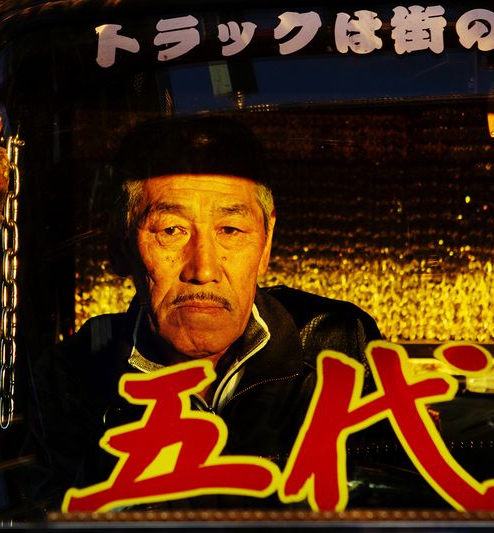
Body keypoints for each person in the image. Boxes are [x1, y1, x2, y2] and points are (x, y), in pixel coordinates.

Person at [23, 116, 432, 513]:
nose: (203, 270)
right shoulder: (72, 377)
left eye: (230, 232)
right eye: (171, 230)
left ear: (266, 242)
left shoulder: (336, 343)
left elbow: (399, 503)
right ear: (122, 243)